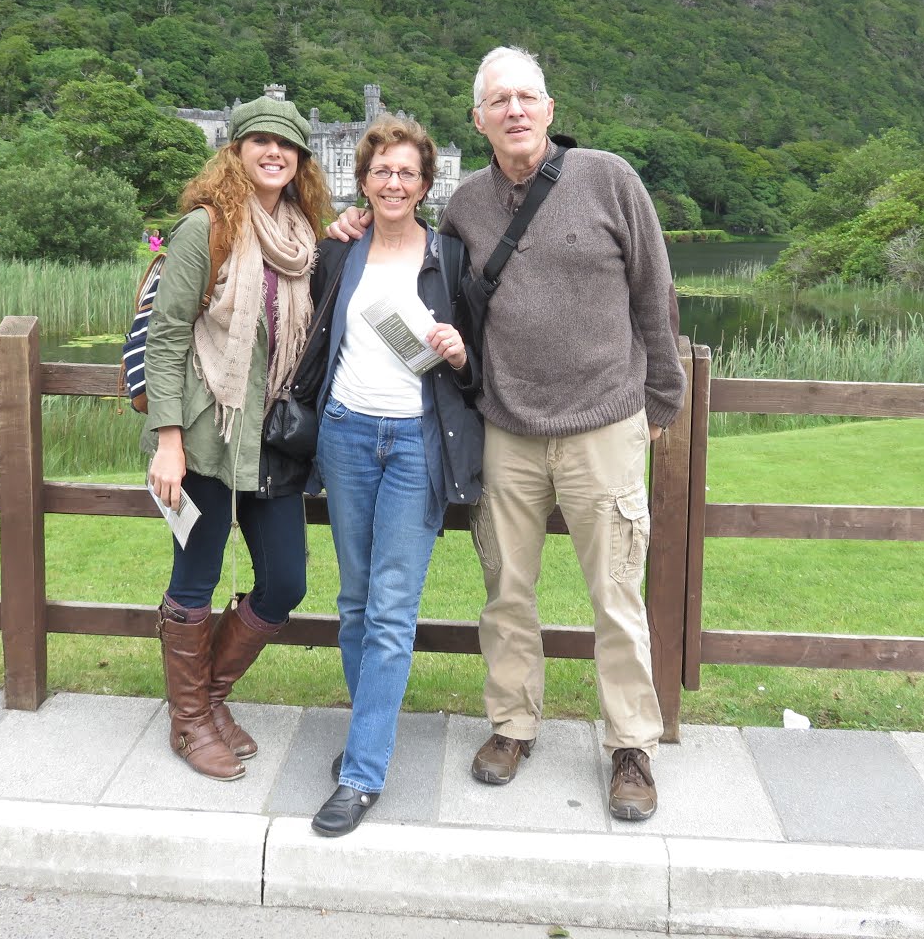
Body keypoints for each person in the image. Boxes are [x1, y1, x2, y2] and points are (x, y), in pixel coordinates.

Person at [329, 46, 686, 821]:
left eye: (527, 97)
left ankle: (631, 746)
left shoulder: (608, 179)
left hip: (603, 420)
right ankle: (513, 725)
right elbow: (414, 251)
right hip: (507, 427)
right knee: (506, 591)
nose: (515, 110)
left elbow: (655, 293)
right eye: (499, 101)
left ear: (549, 110)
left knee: (616, 595)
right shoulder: (466, 206)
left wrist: (661, 402)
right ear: (480, 119)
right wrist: (352, 222)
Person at [142, 93, 333, 781]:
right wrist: (168, 441)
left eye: (288, 146)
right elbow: (168, 336)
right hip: (206, 435)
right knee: (195, 578)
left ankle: (209, 700)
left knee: (285, 580)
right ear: (237, 150)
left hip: (272, 441)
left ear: (300, 160)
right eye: (261, 141)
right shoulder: (207, 228)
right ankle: (190, 721)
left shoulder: (304, 237)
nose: (274, 153)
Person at [302, 116, 482, 837]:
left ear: (426, 184)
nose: (395, 183)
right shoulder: (339, 250)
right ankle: (368, 733)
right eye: (382, 171)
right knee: (353, 603)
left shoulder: (450, 259)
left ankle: (362, 772)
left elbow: (477, 369)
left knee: (391, 608)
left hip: (415, 445)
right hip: (345, 434)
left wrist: (460, 353)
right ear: (364, 181)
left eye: (408, 172)